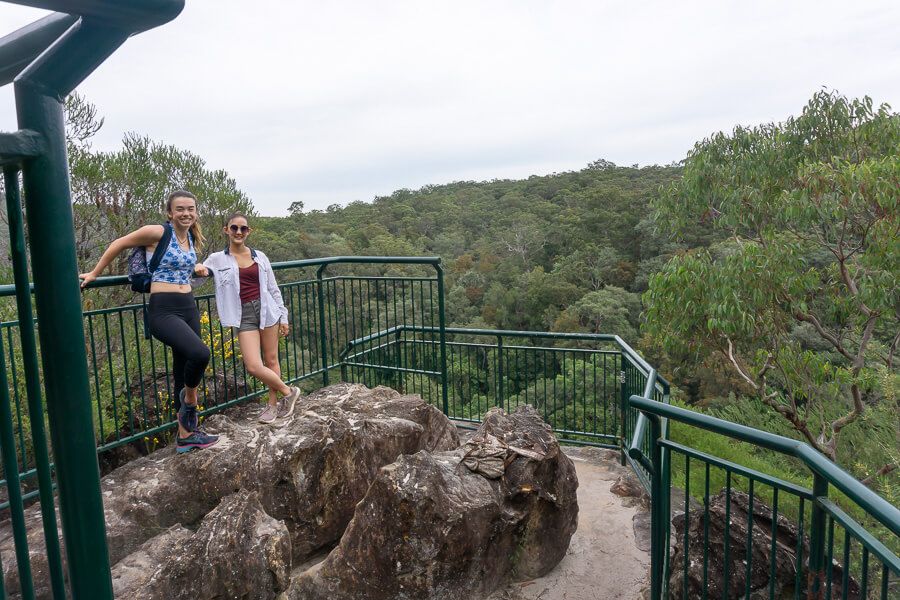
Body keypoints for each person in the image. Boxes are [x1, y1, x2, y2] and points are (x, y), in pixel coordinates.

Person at [80, 190, 219, 453]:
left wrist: (197, 267)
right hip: (163, 309)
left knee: (182, 369)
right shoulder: (156, 232)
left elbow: (180, 267)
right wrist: (95, 273)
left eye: (190, 209)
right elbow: (119, 243)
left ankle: (186, 435)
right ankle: (189, 402)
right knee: (200, 353)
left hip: (188, 305)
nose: (186, 213)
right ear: (170, 212)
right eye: (180, 209)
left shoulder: (190, 236)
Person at [202, 212, 300, 424]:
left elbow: (273, 289)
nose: (238, 232)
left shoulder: (260, 257)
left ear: (248, 231)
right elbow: (197, 279)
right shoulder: (217, 259)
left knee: (271, 359)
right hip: (242, 314)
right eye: (234, 228)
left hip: (267, 311)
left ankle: (273, 405)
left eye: (243, 228)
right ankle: (289, 392)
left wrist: (284, 316)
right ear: (226, 230)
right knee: (253, 365)